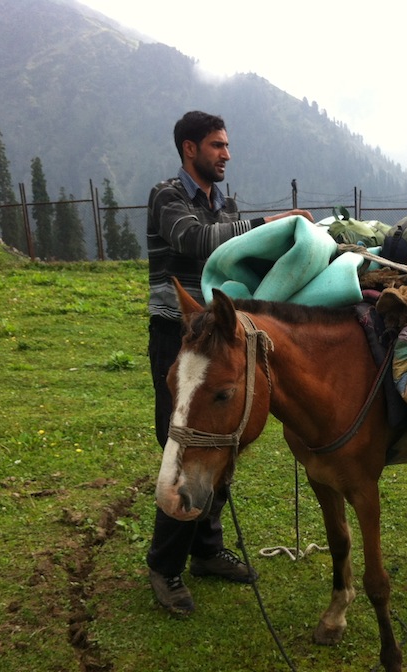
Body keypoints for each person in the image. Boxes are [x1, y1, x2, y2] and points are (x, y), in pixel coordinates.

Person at [146, 110, 313, 615]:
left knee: (225, 433)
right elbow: (193, 241)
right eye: (217, 145)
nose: (226, 154)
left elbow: (243, 257)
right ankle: (165, 566)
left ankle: (207, 550)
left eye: (226, 145)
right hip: (178, 335)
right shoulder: (168, 197)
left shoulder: (225, 202)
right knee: (189, 443)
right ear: (189, 149)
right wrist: (268, 223)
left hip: (220, 333)